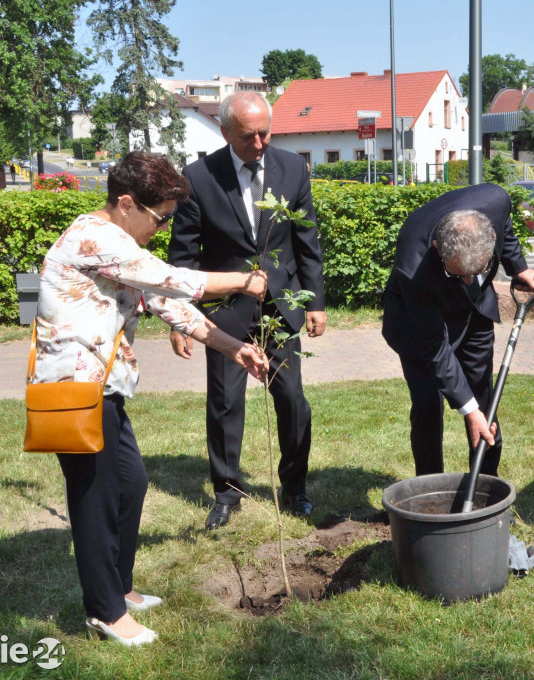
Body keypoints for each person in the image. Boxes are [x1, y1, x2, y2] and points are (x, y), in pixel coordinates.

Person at [33, 151, 269, 645]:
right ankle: (105, 612)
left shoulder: (118, 243)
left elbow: (168, 304)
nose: (163, 228)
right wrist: (245, 281)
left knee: (131, 484)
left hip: (103, 388)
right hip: (75, 392)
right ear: (125, 203)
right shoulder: (94, 237)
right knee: (95, 500)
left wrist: (236, 349)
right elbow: (177, 281)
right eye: (160, 217)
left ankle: (119, 588)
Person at [168, 91, 326, 528]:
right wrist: (181, 318)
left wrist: (314, 301)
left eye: (265, 133)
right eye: (247, 136)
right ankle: (226, 491)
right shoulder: (198, 177)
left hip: (281, 304)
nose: (258, 144)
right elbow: (183, 255)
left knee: (292, 399)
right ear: (224, 132)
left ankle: (295, 487)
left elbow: (305, 240)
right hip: (225, 309)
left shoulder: (292, 168)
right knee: (224, 401)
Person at [382, 184, 534, 477]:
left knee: (484, 402)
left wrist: (517, 266)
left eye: (477, 272)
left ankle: (485, 490)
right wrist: (468, 410)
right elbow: (435, 349)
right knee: (428, 405)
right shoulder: (412, 264)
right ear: (438, 248)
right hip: (416, 325)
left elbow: (506, 228)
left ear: (490, 239)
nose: (468, 281)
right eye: (457, 274)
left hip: (475, 312)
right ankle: (428, 491)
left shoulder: (496, 201)